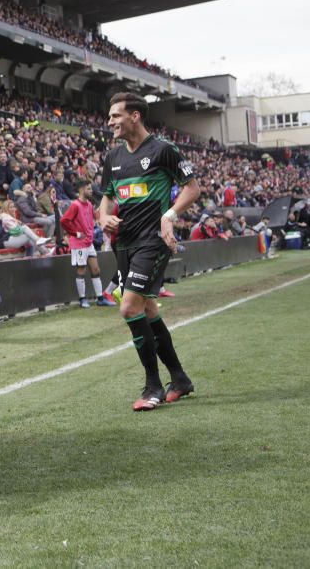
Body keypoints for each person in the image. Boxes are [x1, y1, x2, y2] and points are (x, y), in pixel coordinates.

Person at [99, 92, 199, 411]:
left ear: (135, 116)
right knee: (149, 311)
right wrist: (103, 215)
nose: (110, 121)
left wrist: (169, 216)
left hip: (152, 240)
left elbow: (192, 188)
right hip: (123, 244)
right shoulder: (113, 157)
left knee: (129, 308)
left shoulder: (163, 150)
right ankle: (180, 378)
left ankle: (153, 386)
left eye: (115, 115)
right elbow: (106, 195)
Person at [61, 179, 114, 308]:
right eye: (89, 189)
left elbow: (92, 220)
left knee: (96, 269)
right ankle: (82, 299)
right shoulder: (75, 205)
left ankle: (100, 298)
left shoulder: (89, 204)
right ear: (81, 190)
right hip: (79, 243)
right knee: (81, 270)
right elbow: (64, 221)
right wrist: (76, 234)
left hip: (88, 243)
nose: (91, 191)